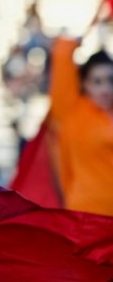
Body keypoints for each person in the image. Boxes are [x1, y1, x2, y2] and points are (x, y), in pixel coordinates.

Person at [49, 36, 113, 216]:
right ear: (85, 84)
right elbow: (61, 53)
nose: (106, 89)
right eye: (97, 82)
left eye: (111, 80)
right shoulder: (72, 111)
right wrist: (78, 39)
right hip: (86, 214)